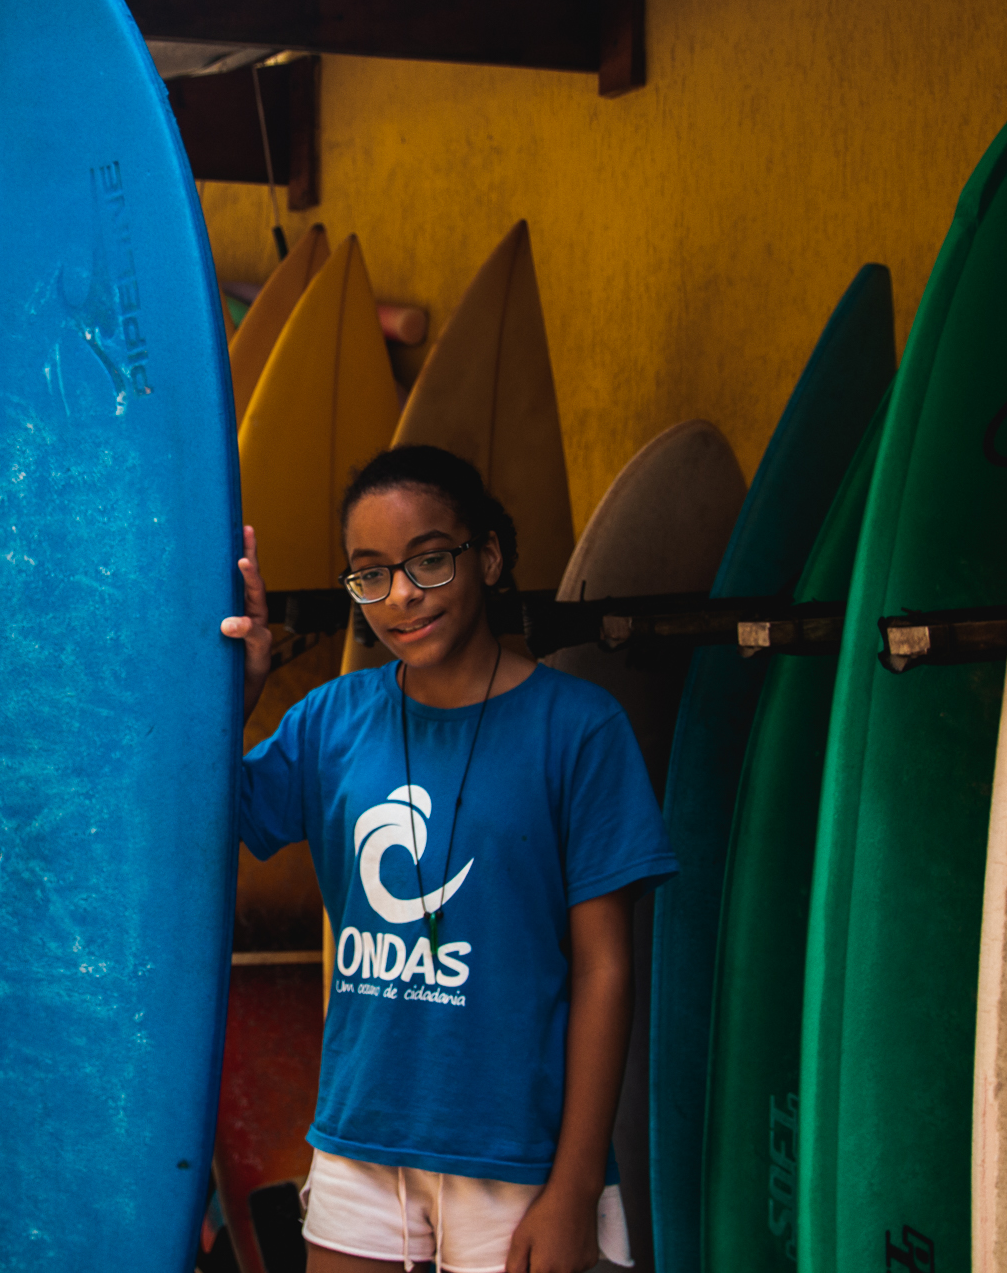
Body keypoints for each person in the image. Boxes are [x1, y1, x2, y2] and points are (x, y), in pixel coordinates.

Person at [219, 445, 676, 1273]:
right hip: (363, 1133)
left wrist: (574, 1186)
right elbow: (204, 824)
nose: (401, 596)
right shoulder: (333, 720)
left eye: (429, 560)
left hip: (518, 1156)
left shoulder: (577, 728)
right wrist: (235, 692)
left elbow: (605, 969)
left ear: (489, 556)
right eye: (371, 573)